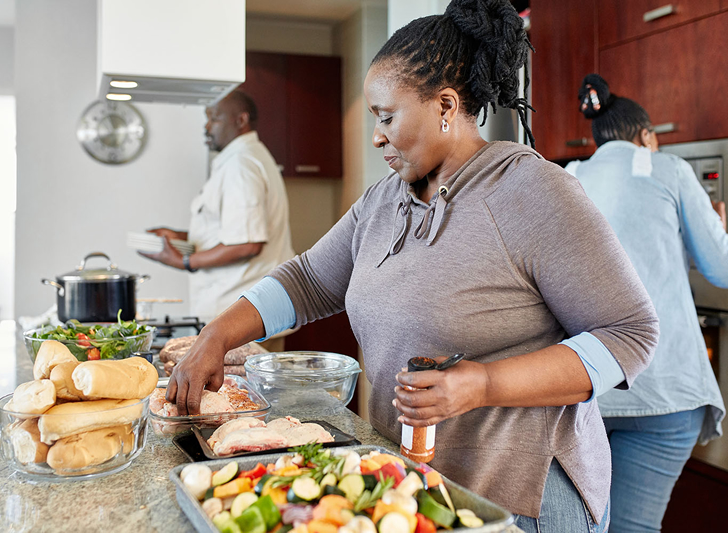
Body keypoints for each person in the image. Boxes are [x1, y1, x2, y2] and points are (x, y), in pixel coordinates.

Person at [167, 1, 659, 530]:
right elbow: (308, 280)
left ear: (445, 105)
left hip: (523, 499)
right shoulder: (383, 201)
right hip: (416, 484)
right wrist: (216, 336)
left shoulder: (532, 193)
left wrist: (483, 385)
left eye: (386, 117)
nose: (376, 136)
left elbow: (630, 335)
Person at [566, 74, 726, 533]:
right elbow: (721, 270)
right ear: (646, 137)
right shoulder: (670, 169)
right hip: (665, 391)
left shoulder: (566, 178)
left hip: (582, 390)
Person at [140, 89, 294, 325]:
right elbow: (231, 230)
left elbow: (247, 244)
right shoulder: (243, 159)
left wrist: (185, 262)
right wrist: (180, 237)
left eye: (214, 118)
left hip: (242, 314)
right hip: (242, 312)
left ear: (241, 120)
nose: (207, 127)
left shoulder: (240, 165)